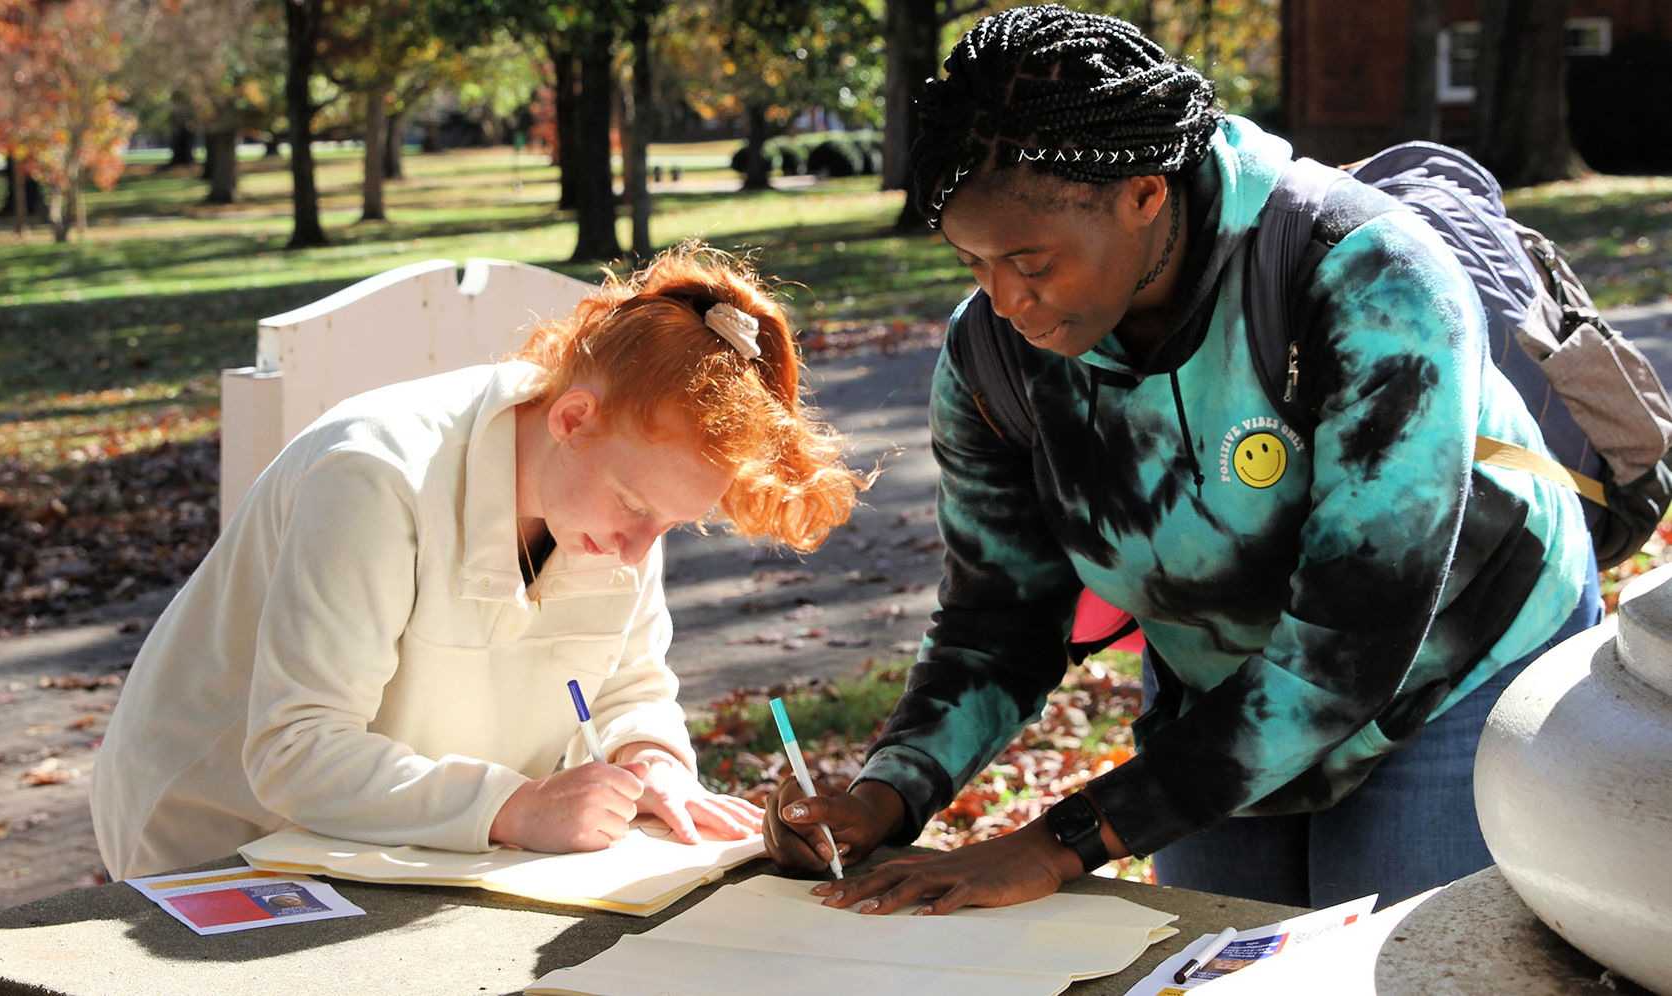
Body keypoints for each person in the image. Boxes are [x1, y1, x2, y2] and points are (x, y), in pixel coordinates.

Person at [765, 6, 1600, 914]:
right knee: (1211, 963)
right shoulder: (993, 359)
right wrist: (889, 795)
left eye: (1029, 260)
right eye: (972, 263)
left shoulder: (1370, 279)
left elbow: (1348, 643)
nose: (1005, 300)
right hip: (1222, 687)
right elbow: (998, 619)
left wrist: (1060, 842)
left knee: (1379, 967)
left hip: (1450, 669)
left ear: (1144, 194)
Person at [92, 243, 867, 880]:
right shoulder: (378, 474)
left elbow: (629, 685)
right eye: (637, 509)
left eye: (673, 524)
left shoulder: (617, 496)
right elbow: (296, 749)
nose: (640, 552)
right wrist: (512, 808)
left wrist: (653, 757)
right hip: (221, 835)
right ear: (572, 419)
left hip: (405, 852)